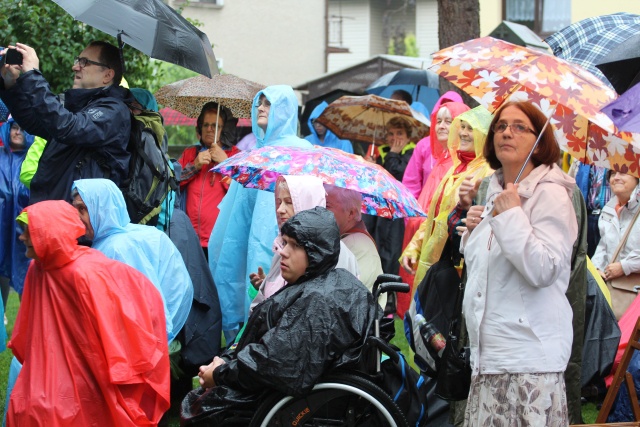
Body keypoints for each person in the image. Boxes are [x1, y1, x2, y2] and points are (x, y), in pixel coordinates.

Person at [181, 207, 378, 425]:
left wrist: (219, 373)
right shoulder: (318, 282)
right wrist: (226, 361)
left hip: (285, 399)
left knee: (200, 409)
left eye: (295, 246)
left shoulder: (318, 301)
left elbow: (275, 363)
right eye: (285, 243)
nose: (283, 251)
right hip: (273, 383)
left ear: (316, 252)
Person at [460, 101, 577, 426]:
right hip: (491, 358)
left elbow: (544, 268)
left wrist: (510, 215)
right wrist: (474, 233)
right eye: (500, 126)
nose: (506, 132)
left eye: (519, 126)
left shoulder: (550, 195)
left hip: (528, 362)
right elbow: (490, 269)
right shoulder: (497, 191)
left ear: (539, 143)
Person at [8, 200, 169, 426]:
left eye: (29, 232)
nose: (22, 237)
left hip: (87, 371)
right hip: (49, 367)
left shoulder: (84, 273)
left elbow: (123, 317)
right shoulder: (38, 268)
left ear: (50, 234)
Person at [208, 85, 311, 341]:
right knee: (250, 297)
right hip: (251, 242)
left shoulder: (301, 152)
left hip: (289, 243)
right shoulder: (255, 155)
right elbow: (236, 217)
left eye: (269, 103)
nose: (261, 107)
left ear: (284, 110)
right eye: (259, 103)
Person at [0, 41, 134, 203]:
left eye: (85, 62)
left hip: (79, 221)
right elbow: (34, 122)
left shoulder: (114, 111)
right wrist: (10, 84)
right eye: (78, 60)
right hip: (53, 212)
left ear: (107, 75)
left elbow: (67, 127)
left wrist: (33, 75)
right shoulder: (78, 106)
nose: (75, 67)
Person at [72, 178, 193, 343]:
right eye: (75, 209)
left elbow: (148, 307)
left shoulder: (118, 248)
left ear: (101, 209)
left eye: (82, 209)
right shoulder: (123, 236)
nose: (76, 216)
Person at [401, 106, 493, 288]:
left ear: (484, 135)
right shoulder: (454, 169)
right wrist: (415, 245)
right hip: (435, 259)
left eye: (471, 129)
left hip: (458, 266)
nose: (463, 133)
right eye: (462, 127)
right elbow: (437, 215)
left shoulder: (488, 173)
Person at [398, 94, 469, 315]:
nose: (442, 126)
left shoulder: (463, 165)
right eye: (439, 120)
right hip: (421, 231)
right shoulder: (440, 159)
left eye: (449, 121)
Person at [249, 175, 360, 310]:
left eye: (289, 202)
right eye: (279, 202)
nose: (280, 209)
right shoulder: (282, 246)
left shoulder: (333, 253)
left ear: (308, 203)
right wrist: (264, 285)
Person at [178, 102, 239, 259]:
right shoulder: (191, 153)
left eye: (215, 125)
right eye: (205, 125)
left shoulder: (236, 156)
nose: (209, 129)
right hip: (190, 239)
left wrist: (225, 163)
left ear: (224, 129)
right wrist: (194, 166)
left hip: (220, 241)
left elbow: (240, 194)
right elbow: (173, 184)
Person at [363, 116, 416, 277]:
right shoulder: (380, 152)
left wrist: (393, 154)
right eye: (391, 134)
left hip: (398, 211)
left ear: (408, 136)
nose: (395, 138)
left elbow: (398, 175)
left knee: (392, 251)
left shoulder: (411, 152)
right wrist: (370, 165)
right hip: (379, 210)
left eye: (399, 133)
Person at [324, 184, 386, 308]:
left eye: (327, 206)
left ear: (351, 213)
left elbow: (344, 299)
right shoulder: (348, 239)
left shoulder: (357, 244)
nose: (320, 210)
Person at [592, 170, 640, 316]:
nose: (616, 178)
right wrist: (595, 269)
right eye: (613, 174)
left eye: (624, 173)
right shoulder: (608, 208)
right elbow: (603, 246)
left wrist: (624, 266)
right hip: (611, 289)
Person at [0, 119, 33, 300]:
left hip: (24, 229)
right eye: (14, 128)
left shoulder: (34, 159)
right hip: (1, 226)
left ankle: (28, 323)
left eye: (23, 128)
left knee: (26, 273)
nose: (18, 132)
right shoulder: (0, 156)